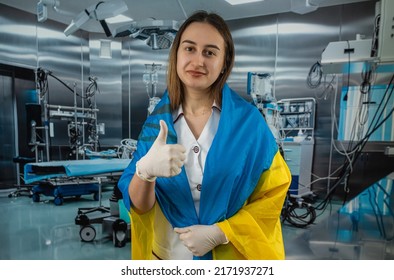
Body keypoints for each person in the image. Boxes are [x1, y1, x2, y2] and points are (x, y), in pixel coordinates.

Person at [118, 10, 291, 260]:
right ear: (176, 55)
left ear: (224, 63)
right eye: (189, 49)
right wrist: (145, 173)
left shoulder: (249, 124)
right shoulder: (156, 126)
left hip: (230, 256)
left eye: (210, 52)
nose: (198, 61)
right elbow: (140, 206)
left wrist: (223, 231)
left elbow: (273, 194)